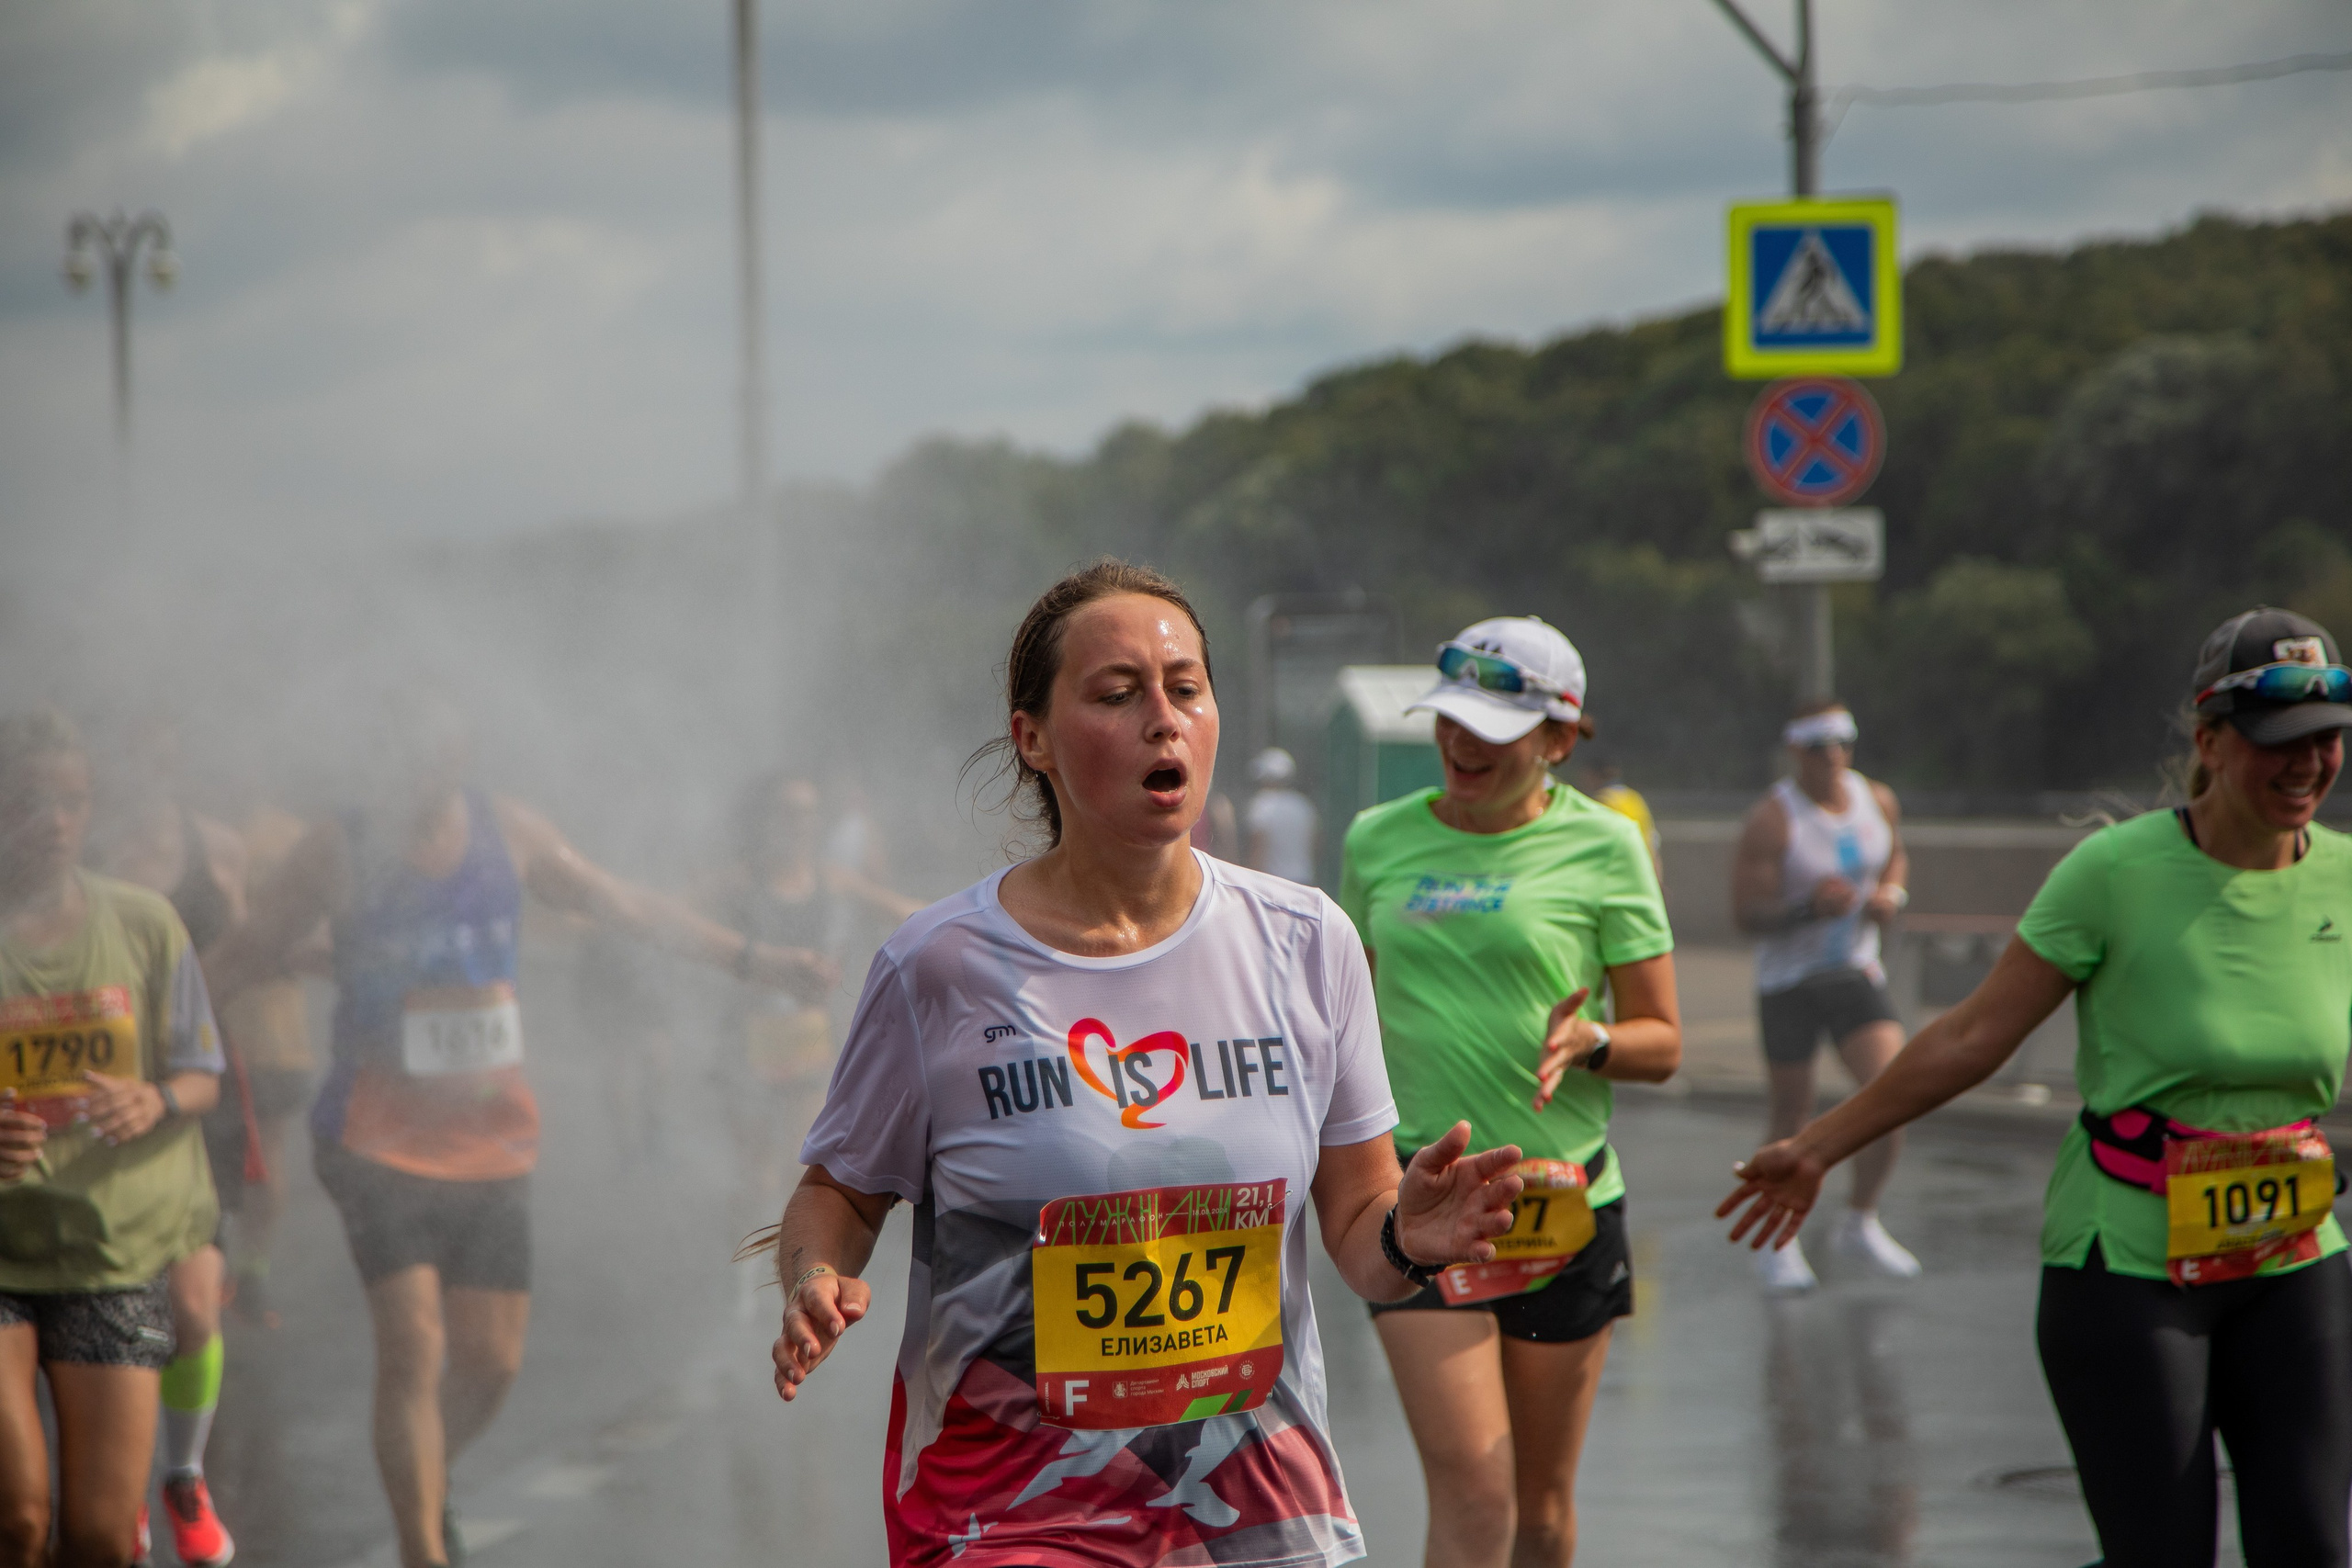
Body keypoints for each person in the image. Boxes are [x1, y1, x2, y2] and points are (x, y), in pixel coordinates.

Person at [764, 559, 1528, 1568]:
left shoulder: (1305, 941)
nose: (1163, 720)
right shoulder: (938, 966)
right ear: (1030, 737)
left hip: (1257, 1511)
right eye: (1117, 696)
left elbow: (1355, 1231)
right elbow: (839, 1195)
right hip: (1014, 1516)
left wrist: (1409, 1237)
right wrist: (815, 1277)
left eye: (1185, 689)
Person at [1719, 606, 2352, 1568]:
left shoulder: (2343, 881)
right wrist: (1816, 1147)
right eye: (2279, 742)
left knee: (2309, 1542)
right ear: (2210, 740)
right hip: (2130, 1262)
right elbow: (1972, 1036)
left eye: (2325, 740)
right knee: (2159, 1553)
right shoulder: (2114, 872)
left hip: (2293, 1253)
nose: (2306, 764)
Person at [201, 689, 835, 1568]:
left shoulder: (511, 833)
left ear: (461, 755)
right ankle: (426, 1548)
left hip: (492, 1139)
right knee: (414, 1342)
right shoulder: (337, 845)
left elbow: (623, 904)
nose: (417, 770)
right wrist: (158, 1048)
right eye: (399, 750)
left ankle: (425, 1475)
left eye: (434, 750)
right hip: (374, 1134)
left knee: (491, 1363)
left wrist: (758, 961)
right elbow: (244, 949)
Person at [1341, 615, 1682, 1568]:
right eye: (1448, 720)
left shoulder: (1608, 848)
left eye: (1489, 729)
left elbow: (1662, 1042)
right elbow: (1350, 1020)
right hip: (1421, 1201)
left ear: (1557, 739)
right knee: (1476, 1494)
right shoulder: (1375, 840)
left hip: (1560, 1207)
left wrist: (1593, 1040)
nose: (1457, 744)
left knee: (1537, 1512)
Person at [0, 709, 228, 1568]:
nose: (55, 820)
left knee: (98, 1535)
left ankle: (183, 1479)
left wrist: (156, 1097)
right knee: (18, 1519)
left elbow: (204, 1072)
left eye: (73, 800)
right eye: (29, 801)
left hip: (110, 1250)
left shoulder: (142, 922)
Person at [90, 719, 244, 1566]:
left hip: (197, 1088)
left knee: (190, 1304)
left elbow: (255, 939)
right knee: (125, 1310)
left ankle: (181, 1475)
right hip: (100, 1094)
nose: (150, 762)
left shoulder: (212, 848)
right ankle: (122, 1491)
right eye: (132, 746)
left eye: (163, 746)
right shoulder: (75, 863)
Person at [702, 772, 919, 1307]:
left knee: (799, 1169)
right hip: (744, 1048)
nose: (799, 825)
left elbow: (906, 910)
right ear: (764, 821)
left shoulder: (830, 880)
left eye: (808, 814)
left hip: (807, 1049)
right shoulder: (737, 882)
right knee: (755, 1170)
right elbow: (676, 919)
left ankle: (790, 1283)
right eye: (787, 813)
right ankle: (739, 1290)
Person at [1729, 698, 1917, 1292]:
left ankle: (1860, 1218)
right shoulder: (1773, 818)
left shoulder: (1875, 798)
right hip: (1789, 980)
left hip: (1854, 970)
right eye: (1819, 744)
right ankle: (1776, 1240)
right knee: (1792, 1115)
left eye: (1844, 740)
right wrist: (1808, 907)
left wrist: (1891, 893)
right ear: (1795, 750)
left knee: (1893, 1092)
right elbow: (1745, 913)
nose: (1834, 755)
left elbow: (1897, 854)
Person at [1572, 757, 1662, 887]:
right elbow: (1652, 843)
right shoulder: (1635, 798)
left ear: (1592, 775)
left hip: (1618, 878)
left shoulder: (1602, 801)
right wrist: (1657, 880)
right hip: (1643, 874)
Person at [1244, 748, 1318, 886]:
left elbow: (1258, 847)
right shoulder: (1304, 805)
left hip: (1272, 884)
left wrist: (1251, 883)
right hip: (1304, 882)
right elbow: (1316, 844)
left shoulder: (1262, 805)